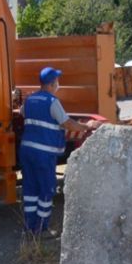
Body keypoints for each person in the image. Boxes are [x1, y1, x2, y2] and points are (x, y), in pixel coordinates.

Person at [19, 67, 99, 236]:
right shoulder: (52, 102)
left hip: (26, 151)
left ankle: (29, 227)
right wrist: (87, 126)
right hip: (43, 153)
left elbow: (23, 113)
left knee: (30, 189)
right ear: (51, 84)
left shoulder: (29, 100)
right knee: (46, 189)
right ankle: (41, 229)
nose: (58, 85)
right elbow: (67, 123)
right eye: (57, 82)